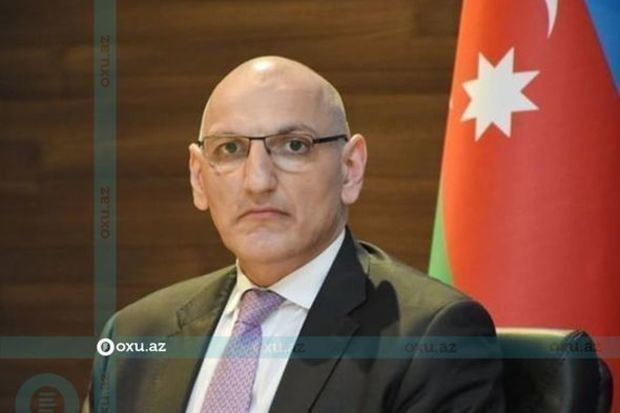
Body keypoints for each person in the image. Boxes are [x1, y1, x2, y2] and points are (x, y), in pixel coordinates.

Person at [82, 56, 506, 412]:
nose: (257, 181)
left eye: (294, 146)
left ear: (350, 168)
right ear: (198, 177)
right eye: (230, 149)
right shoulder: (134, 337)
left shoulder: (431, 339)